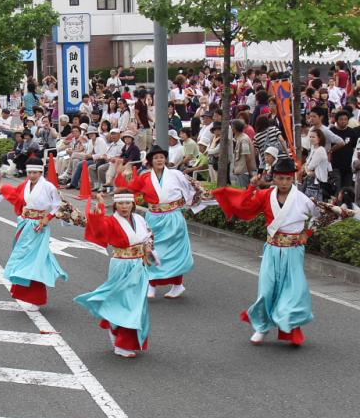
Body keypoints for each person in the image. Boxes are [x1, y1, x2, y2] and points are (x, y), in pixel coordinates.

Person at [213, 159, 320, 346]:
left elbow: (320, 217)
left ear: (292, 178)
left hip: (293, 251)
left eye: (287, 178)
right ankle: (261, 327)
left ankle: (292, 330)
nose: (284, 182)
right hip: (272, 249)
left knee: (293, 291)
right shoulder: (266, 195)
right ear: (274, 178)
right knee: (266, 290)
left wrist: (307, 232)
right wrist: (252, 186)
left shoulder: (303, 199)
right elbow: (244, 207)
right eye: (280, 178)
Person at [74, 193, 153, 358]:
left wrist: (148, 249)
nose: (124, 206)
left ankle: (114, 326)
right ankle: (122, 344)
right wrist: (99, 211)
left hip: (139, 264)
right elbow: (98, 229)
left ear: (133, 204)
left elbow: (148, 236)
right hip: (122, 264)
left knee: (136, 304)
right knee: (126, 303)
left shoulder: (139, 219)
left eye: (127, 203)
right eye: (120, 203)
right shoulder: (110, 221)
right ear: (115, 206)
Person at [115, 145, 196, 299]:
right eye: (156, 158)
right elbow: (127, 189)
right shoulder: (145, 177)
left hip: (173, 218)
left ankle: (178, 285)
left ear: (165, 159)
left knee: (174, 253)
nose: (159, 160)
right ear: (151, 161)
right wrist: (120, 175)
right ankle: (151, 284)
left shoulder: (176, 175)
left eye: (162, 157)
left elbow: (192, 189)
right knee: (151, 251)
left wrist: (193, 202)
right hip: (154, 218)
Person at [0, 158, 68, 310]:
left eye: (35, 172)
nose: (31, 175)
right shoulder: (25, 185)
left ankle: (36, 298)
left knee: (35, 261)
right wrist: (2, 188)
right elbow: (18, 198)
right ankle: (25, 294)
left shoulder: (49, 186)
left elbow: (58, 205)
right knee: (22, 258)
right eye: (29, 172)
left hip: (38, 226)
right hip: (25, 224)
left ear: (40, 172)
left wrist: (47, 218)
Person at [301, 127, 332, 201]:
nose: (311, 139)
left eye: (313, 137)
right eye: (310, 137)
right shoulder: (313, 149)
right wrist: (307, 169)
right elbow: (307, 165)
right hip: (311, 182)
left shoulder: (320, 150)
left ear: (319, 138)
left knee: (315, 207)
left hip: (318, 184)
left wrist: (307, 169)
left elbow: (310, 167)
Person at [330, 110, 358, 189]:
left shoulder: (351, 132)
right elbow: (328, 148)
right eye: (341, 119)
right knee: (337, 189)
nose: (343, 121)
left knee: (347, 190)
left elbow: (355, 147)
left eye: (345, 119)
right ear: (337, 120)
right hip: (335, 166)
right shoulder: (331, 132)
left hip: (348, 167)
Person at [231, 119, 256, 188]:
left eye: (232, 127)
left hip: (244, 172)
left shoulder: (243, 140)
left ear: (234, 128)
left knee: (244, 192)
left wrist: (250, 172)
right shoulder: (239, 138)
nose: (231, 128)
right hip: (241, 171)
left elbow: (247, 157)